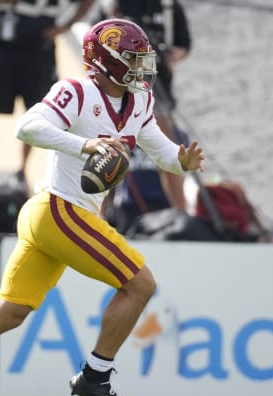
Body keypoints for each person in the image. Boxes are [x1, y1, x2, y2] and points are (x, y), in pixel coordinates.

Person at [0, 18, 204, 396]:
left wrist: (181, 162)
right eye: (131, 58)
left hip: (56, 216)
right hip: (60, 209)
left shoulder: (140, 102)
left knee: (9, 310)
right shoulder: (76, 91)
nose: (140, 66)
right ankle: (96, 376)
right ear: (107, 59)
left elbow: (163, 152)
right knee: (140, 283)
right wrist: (86, 144)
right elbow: (28, 127)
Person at [0, 0, 96, 185]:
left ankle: (22, 171)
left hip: (38, 45)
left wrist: (66, 25)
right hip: (3, 44)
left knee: (37, 111)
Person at [102, 0, 192, 232]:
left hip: (156, 91)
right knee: (110, 152)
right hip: (118, 91)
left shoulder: (168, 6)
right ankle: (99, 219)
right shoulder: (114, 5)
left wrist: (168, 56)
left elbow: (183, 45)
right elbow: (94, 45)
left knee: (167, 152)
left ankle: (180, 219)